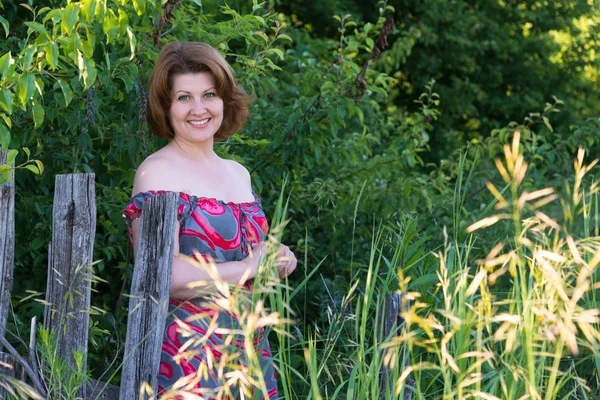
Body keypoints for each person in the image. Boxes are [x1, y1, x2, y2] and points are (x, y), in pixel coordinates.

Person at [123, 42, 297, 399]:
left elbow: (246, 255)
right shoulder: (157, 173)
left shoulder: (238, 174)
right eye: (184, 97)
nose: (198, 109)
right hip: (189, 360)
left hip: (248, 355)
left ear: (224, 100)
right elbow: (163, 276)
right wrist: (250, 267)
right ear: (166, 106)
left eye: (210, 95)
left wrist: (277, 257)